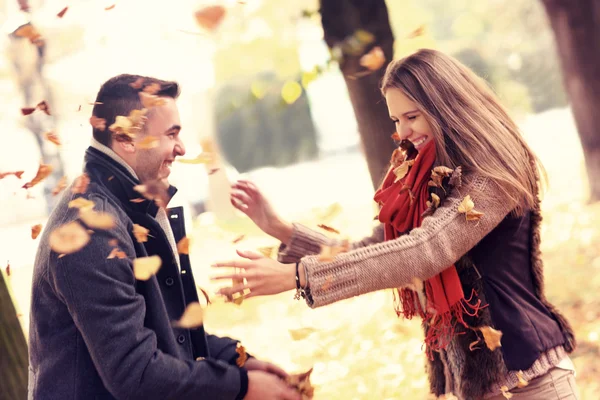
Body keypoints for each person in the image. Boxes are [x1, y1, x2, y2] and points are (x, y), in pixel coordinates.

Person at [213, 49, 579, 399]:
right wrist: (283, 230)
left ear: (446, 108)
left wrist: (299, 276)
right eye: (395, 120)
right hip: (482, 386)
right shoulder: (427, 178)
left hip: (532, 380)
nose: (402, 132)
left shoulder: (491, 176)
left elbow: (425, 251)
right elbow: (378, 249)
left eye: (412, 116)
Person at [29, 74, 301, 400]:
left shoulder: (131, 206)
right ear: (125, 137)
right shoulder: (91, 230)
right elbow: (136, 373)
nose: (182, 148)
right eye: (171, 134)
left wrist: (237, 360)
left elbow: (166, 332)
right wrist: (241, 387)